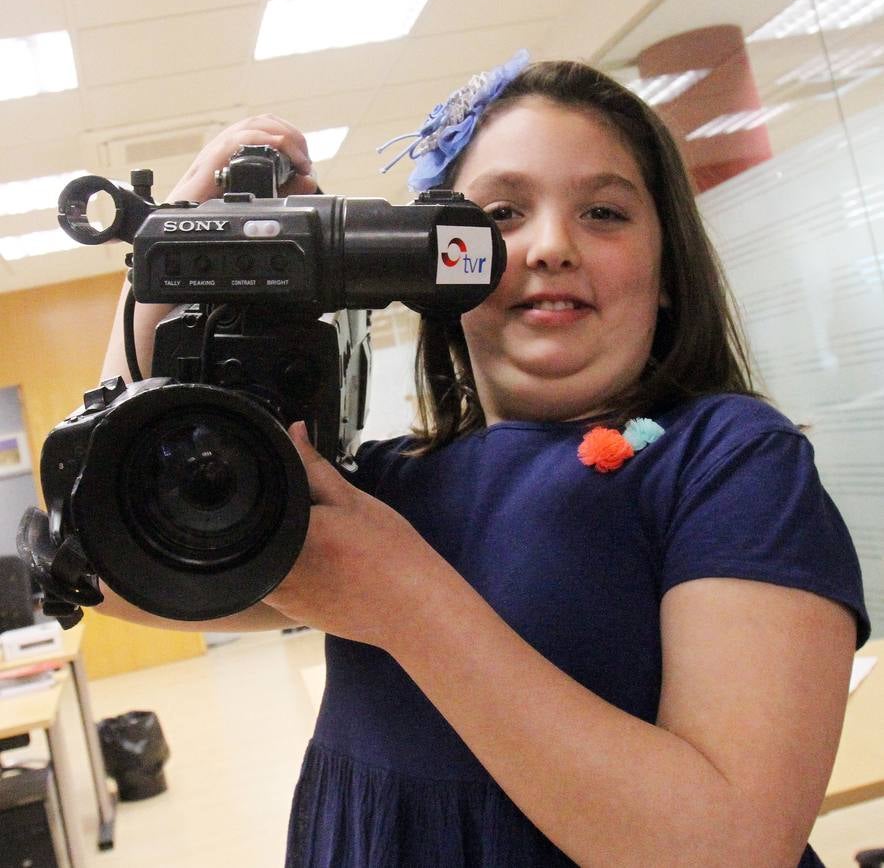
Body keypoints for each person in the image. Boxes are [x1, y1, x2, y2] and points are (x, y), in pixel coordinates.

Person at [98, 55, 869, 867]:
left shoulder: (731, 462)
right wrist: (169, 236)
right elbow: (119, 566)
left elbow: (733, 850)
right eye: (502, 212)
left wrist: (406, 604)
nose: (550, 246)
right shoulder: (389, 485)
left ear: (667, 269)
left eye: (604, 212)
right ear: (442, 269)